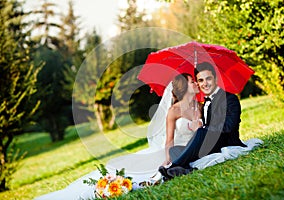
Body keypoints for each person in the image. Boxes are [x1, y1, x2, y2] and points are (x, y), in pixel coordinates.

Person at [34, 73, 201, 200]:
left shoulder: (199, 106)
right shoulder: (174, 111)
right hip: (173, 151)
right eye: (192, 81)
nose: (196, 83)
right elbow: (169, 140)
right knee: (141, 172)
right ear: (184, 87)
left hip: (192, 148)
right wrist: (168, 158)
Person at [159, 62, 247, 179]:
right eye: (200, 80)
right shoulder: (204, 104)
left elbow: (229, 126)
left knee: (200, 132)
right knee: (174, 150)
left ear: (215, 79)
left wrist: (202, 129)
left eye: (208, 79)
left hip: (226, 143)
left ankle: (173, 167)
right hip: (206, 146)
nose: (205, 84)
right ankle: (186, 169)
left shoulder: (230, 99)